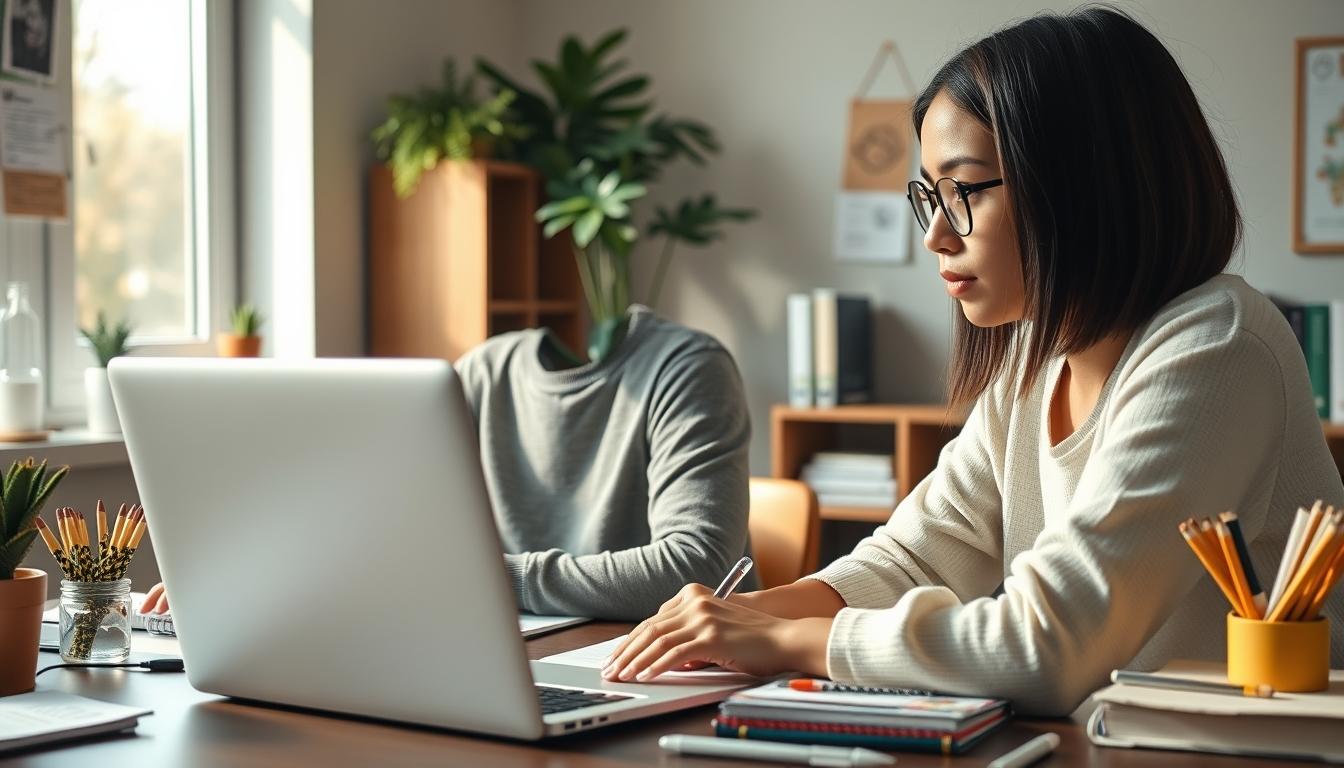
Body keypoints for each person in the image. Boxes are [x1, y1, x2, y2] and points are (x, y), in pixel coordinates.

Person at [601, 6, 1344, 716]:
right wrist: (743, 614)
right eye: (931, 194)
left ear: (1083, 184)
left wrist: (788, 639)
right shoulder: (1038, 354)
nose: (936, 236)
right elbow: (918, 558)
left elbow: (1046, 647)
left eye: (964, 190)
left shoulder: (1216, 347)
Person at [141, 303, 753, 622]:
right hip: (515, 648)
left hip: (662, 668)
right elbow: (373, 529)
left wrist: (482, 579)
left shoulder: (687, 366)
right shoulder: (482, 372)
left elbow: (692, 566)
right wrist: (248, 577)